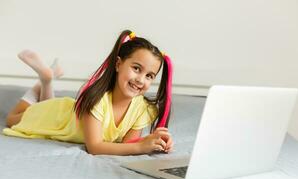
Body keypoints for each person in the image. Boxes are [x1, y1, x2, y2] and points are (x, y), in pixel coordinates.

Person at [3, 30, 174, 155]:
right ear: (118, 64)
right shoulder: (96, 100)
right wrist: (140, 147)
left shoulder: (142, 108)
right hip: (56, 117)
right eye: (136, 68)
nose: (141, 80)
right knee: (12, 119)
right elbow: (95, 147)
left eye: (149, 76)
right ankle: (45, 79)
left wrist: (153, 140)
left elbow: (127, 144)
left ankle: (47, 79)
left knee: (42, 103)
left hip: (67, 120)